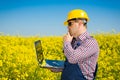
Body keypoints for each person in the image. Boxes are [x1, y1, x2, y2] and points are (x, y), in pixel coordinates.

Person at [50, 9, 99, 80]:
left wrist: (66, 42)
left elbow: (73, 58)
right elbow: (77, 64)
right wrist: (61, 68)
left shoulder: (90, 42)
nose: (68, 27)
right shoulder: (73, 41)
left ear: (80, 23)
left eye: (70, 23)